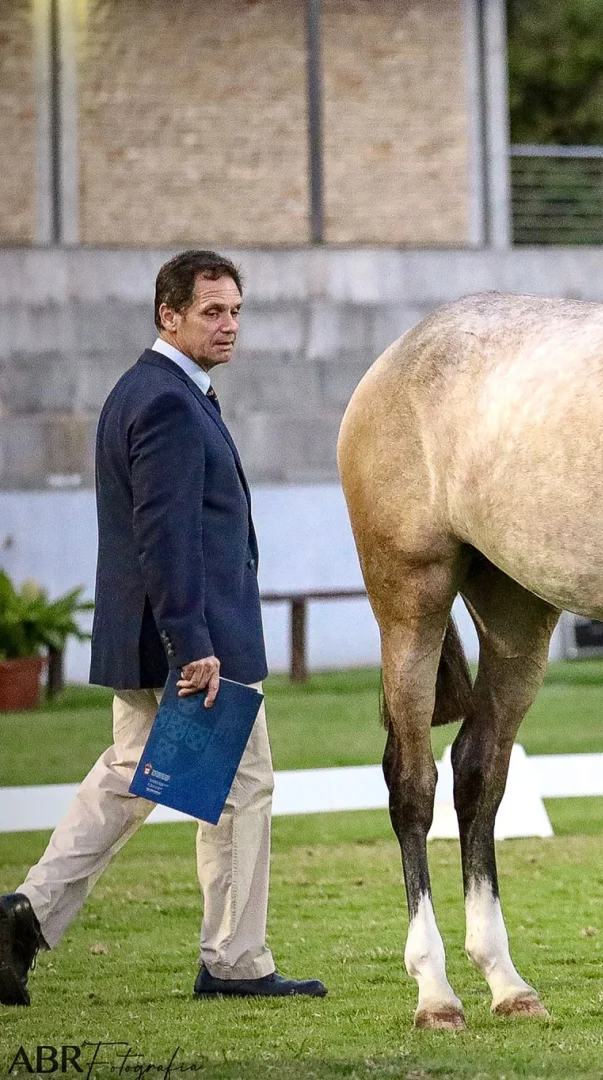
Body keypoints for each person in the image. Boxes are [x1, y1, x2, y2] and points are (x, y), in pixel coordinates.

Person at [0, 250, 325, 1005]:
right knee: (242, 788)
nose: (229, 325)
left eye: (236, 310)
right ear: (167, 314)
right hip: (190, 640)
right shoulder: (169, 402)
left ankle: (26, 915)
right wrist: (195, 647)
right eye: (212, 311)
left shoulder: (148, 391)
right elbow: (165, 535)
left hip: (161, 636)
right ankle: (235, 962)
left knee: (132, 776)